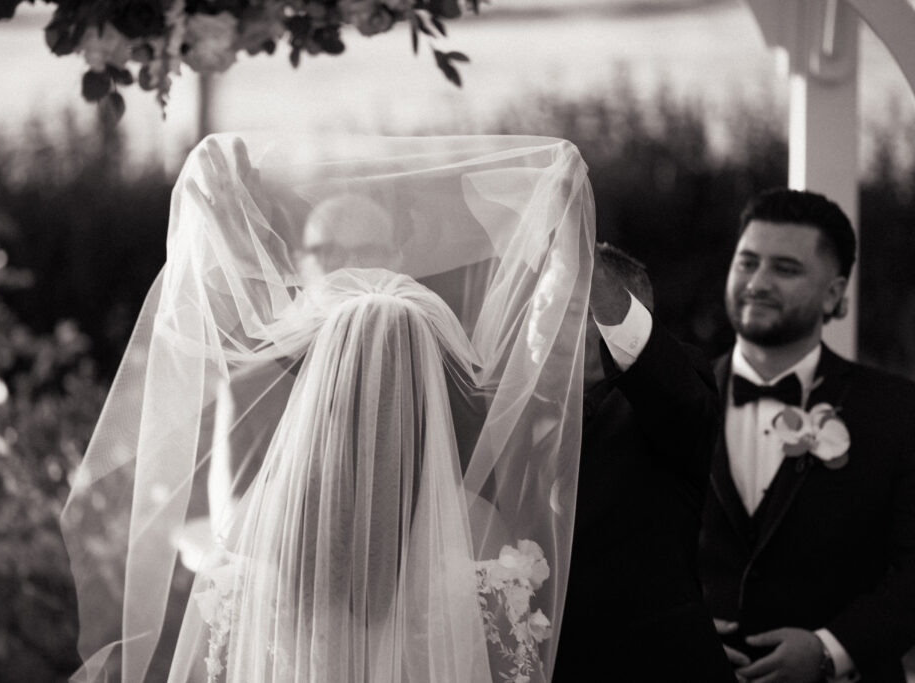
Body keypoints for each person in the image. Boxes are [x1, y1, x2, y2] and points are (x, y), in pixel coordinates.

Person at [61, 133, 596, 682]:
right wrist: (558, 249)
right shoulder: (479, 532)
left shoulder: (260, 529)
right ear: (428, 382)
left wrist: (241, 261)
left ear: (325, 394)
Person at [699, 188, 915, 683]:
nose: (757, 282)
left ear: (835, 294)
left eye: (785, 269)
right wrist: (677, 631)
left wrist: (830, 650)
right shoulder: (671, 401)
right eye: (747, 262)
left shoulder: (897, 412)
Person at [552, 244, 736, 682]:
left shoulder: (673, 397)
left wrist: (581, 251)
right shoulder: (512, 416)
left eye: (562, 305)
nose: (539, 324)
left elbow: (676, 397)